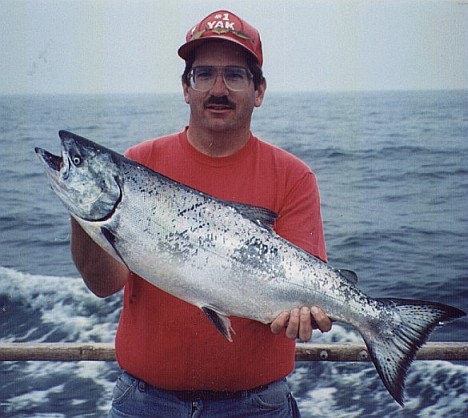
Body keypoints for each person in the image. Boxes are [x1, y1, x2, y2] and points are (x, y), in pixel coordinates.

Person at [71, 10, 332, 418]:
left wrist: (306, 314)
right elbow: (104, 284)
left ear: (259, 90)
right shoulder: (140, 165)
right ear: (186, 88)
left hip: (257, 407)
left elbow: (306, 292)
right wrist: (82, 209)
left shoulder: (293, 177)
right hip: (144, 403)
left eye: (235, 75)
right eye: (204, 74)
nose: (218, 89)